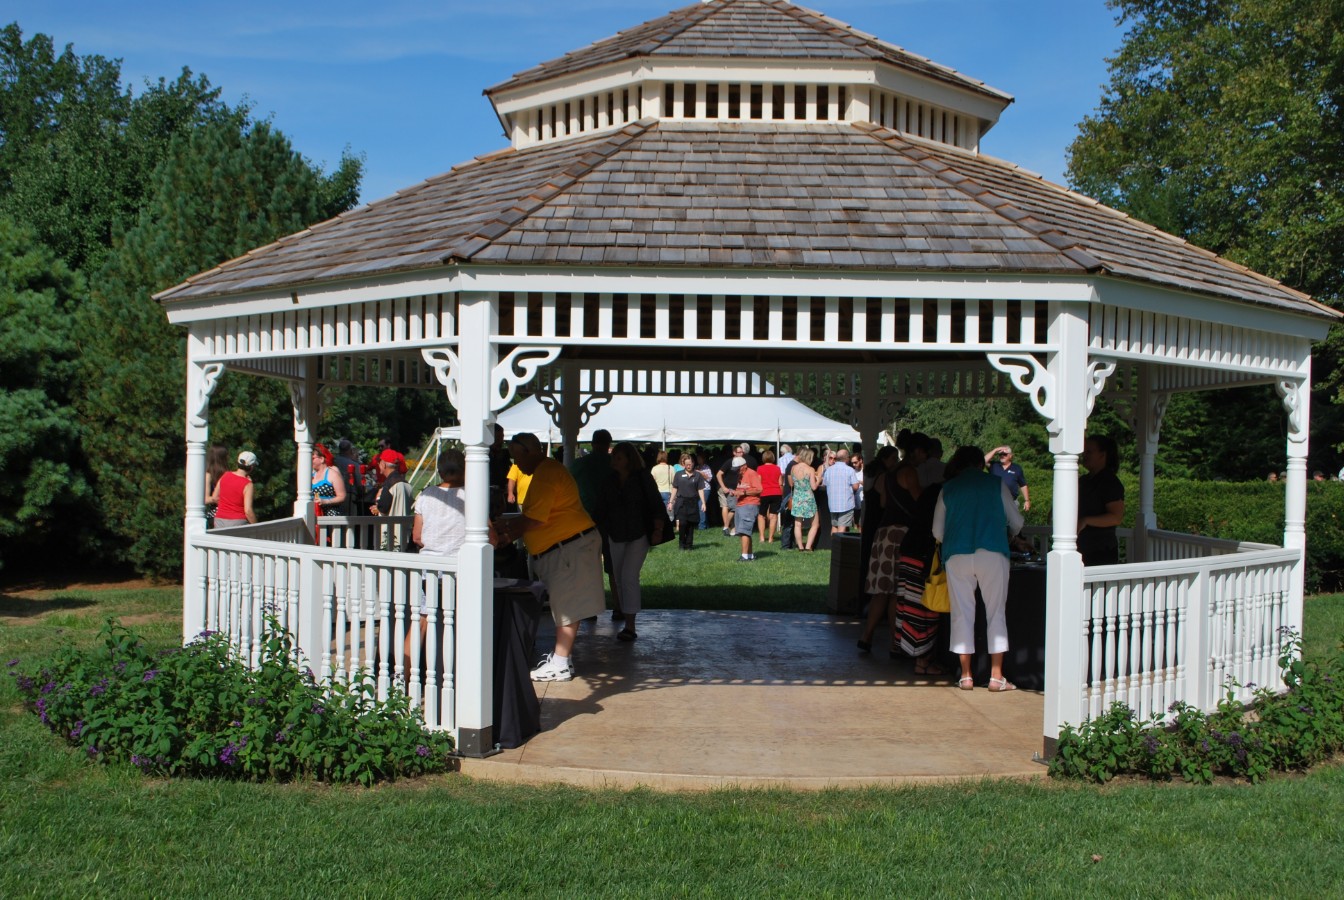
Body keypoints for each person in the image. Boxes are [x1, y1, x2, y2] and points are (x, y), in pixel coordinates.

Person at [493, 433, 605, 682]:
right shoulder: (544, 472)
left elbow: (534, 519)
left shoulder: (546, 474)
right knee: (564, 604)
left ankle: (560, 664)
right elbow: (534, 515)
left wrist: (506, 536)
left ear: (530, 452)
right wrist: (506, 527)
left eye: (517, 457)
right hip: (565, 546)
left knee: (567, 605)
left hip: (568, 547)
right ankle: (562, 659)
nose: (516, 464)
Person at [933, 445, 1025, 692]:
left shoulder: (948, 488)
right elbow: (1017, 521)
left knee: (961, 613)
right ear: (980, 463)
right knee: (996, 612)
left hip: (957, 554)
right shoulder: (996, 484)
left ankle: (966, 676)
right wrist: (1008, 533)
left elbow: (937, 532)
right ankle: (996, 676)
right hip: (992, 551)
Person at [406, 449, 471, 676]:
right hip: (460, 568)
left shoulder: (426, 495)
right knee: (463, 620)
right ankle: (459, 676)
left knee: (421, 621)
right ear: (465, 469)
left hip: (430, 568)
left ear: (441, 471)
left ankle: (403, 678)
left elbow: (417, 536)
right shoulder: (471, 495)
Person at [594, 442, 667, 641]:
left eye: (619, 457)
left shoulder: (642, 478)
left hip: (638, 534)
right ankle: (625, 616)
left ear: (629, 459)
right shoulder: (609, 480)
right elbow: (600, 509)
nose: (614, 461)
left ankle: (630, 626)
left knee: (628, 577)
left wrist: (658, 530)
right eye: (613, 457)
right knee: (618, 578)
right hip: (615, 534)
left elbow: (655, 504)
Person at [857, 446, 917, 654]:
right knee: (894, 593)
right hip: (899, 533)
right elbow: (918, 501)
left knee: (881, 591)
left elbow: (882, 502)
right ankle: (894, 642)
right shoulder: (905, 473)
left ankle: (866, 635)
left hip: (881, 532)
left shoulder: (880, 476)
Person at [569, 429, 623, 620]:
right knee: (614, 567)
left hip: (586, 521)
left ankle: (590, 609)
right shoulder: (615, 465)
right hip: (612, 520)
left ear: (592, 444)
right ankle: (618, 607)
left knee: (588, 566)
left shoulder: (579, 464)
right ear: (609, 444)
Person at [1078, 434, 1125, 566]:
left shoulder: (1110, 482)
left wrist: (1086, 520)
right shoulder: (1084, 480)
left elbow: (1116, 517)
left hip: (1100, 552)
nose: (1084, 455)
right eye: (1084, 451)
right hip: (1080, 549)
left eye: (1089, 452)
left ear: (1102, 455)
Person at [371, 449, 413, 550]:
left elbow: (383, 507)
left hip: (391, 537)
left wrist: (377, 506)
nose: (378, 465)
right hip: (405, 534)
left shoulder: (390, 484)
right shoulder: (407, 484)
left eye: (379, 462)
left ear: (384, 464)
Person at [212, 450, 259, 528]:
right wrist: (257, 526)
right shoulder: (248, 485)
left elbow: (214, 497)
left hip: (219, 519)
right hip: (238, 522)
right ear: (251, 467)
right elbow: (248, 511)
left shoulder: (225, 475)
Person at [820, 447, 862, 535]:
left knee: (834, 527)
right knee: (841, 528)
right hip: (845, 504)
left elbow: (824, 485)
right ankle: (838, 543)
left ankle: (833, 543)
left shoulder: (829, 470)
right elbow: (855, 487)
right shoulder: (850, 470)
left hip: (833, 504)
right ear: (847, 458)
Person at [789, 447, 822, 551]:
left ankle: (800, 547)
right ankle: (808, 547)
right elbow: (814, 487)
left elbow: (791, 483)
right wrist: (819, 480)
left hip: (797, 497)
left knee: (797, 524)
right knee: (815, 524)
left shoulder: (793, 468)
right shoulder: (810, 469)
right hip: (808, 498)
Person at [672, 452, 707, 550]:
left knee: (691, 525)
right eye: (686, 464)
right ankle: (681, 543)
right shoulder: (678, 474)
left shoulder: (697, 475)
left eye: (690, 464)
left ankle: (689, 545)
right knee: (682, 523)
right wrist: (671, 501)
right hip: (681, 502)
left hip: (692, 502)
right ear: (684, 464)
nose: (688, 466)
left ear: (693, 464)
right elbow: (674, 488)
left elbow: (700, 489)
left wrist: (703, 503)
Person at [732, 455, 762, 560]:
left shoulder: (751, 473)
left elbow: (759, 489)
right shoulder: (740, 475)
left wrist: (744, 492)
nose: (737, 471)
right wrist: (735, 492)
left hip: (750, 504)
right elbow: (741, 489)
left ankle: (744, 556)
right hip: (740, 504)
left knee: (744, 530)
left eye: (738, 469)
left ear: (744, 465)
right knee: (743, 532)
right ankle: (750, 555)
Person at [986, 445, 1030, 512]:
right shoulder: (994, 465)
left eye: (1005, 454)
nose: (1002, 456)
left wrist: (1027, 500)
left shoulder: (1017, 468)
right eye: (1000, 454)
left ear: (1010, 456)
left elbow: (1023, 485)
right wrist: (995, 450)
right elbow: (983, 460)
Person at [716, 444, 746, 535]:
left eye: (742, 452)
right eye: (739, 452)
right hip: (725, 488)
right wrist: (723, 487)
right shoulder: (730, 462)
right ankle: (727, 527)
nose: (741, 454)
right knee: (727, 507)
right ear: (734, 453)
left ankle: (729, 527)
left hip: (733, 489)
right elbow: (718, 474)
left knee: (732, 507)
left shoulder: (742, 463)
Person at [311, 443, 348, 516]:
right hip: (314, 514)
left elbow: (342, 496)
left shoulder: (333, 474)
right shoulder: (312, 474)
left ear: (321, 459)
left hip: (330, 515)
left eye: (312, 458)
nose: (310, 461)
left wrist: (325, 501)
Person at [756, 448, 783, 543]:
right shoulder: (777, 468)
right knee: (773, 516)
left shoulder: (760, 468)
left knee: (761, 515)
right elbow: (780, 483)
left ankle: (762, 537)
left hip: (764, 493)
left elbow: (758, 482)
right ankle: (771, 538)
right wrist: (782, 494)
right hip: (776, 493)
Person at [204, 444, 230, 529]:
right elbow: (205, 499)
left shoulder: (228, 474)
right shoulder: (208, 475)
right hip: (215, 515)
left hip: (229, 512)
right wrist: (215, 498)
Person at [650, 450, 676, 515]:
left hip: (657, 492)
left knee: (658, 513)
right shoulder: (671, 468)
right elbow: (675, 482)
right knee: (668, 513)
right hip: (668, 492)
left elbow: (651, 482)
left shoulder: (654, 468)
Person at [695, 451, 714, 530]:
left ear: (703, 459)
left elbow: (709, 478)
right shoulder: (696, 467)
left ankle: (702, 525)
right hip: (698, 489)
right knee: (701, 506)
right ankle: (706, 524)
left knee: (701, 505)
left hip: (705, 489)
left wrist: (701, 473)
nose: (698, 460)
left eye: (700, 459)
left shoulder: (707, 467)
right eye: (697, 459)